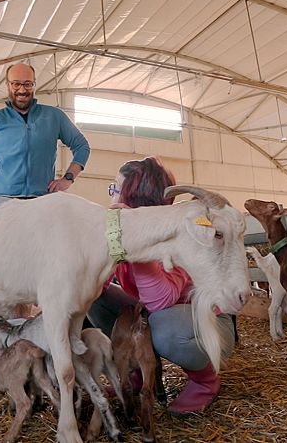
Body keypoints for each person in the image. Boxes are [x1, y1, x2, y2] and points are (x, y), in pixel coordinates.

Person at [86, 156, 236, 416]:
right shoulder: (118, 230)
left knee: (164, 325)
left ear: (133, 198)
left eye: (115, 189)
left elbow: (161, 302)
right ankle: (134, 370)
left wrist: (139, 243)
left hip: (207, 327)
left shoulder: (180, 233)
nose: (111, 198)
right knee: (95, 297)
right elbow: (97, 282)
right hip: (158, 313)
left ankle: (205, 380)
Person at [0, 62, 90, 232]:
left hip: (41, 200)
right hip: (0, 200)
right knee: (3, 254)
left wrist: (67, 179)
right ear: (7, 85)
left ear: (34, 85)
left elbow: (81, 146)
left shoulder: (54, 116)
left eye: (27, 84)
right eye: (16, 83)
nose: (22, 90)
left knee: (39, 254)